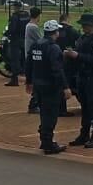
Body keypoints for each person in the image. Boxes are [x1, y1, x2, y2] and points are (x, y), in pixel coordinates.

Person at [28, 20, 68, 154]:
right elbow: (57, 70)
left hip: (38, 85)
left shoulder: (36, 45)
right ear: (55, 32)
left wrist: (29, 81)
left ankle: (44, 140)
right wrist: (65, 87)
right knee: (51, 115)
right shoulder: (53, 48)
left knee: (44, 114)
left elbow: (29, 64)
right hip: (50, 86)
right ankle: (48, 143)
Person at [68, 13, 93, 148]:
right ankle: (84, 134)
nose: (83, 27)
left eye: (86, 25)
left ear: (92, 26)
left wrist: (78, 55)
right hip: (82, 76)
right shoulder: (82, 38)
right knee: (85, 106)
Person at [23, 7, 44, 112]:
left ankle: (35, 103)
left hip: (30, 56)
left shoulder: (29, 25)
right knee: (36, 81)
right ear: (38, 15)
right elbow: (41, 40)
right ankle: (34, 104)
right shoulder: (33, 27)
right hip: (33, 57)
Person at [3, 4, 29, 85]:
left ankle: (14, 80)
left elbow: (12, 28)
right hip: (25, 39)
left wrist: (6, 33)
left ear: (16, 8)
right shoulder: (27, 15)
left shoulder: (15, 16)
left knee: (14, 59)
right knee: (24, 59)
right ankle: (28, 79)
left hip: (16, 39)